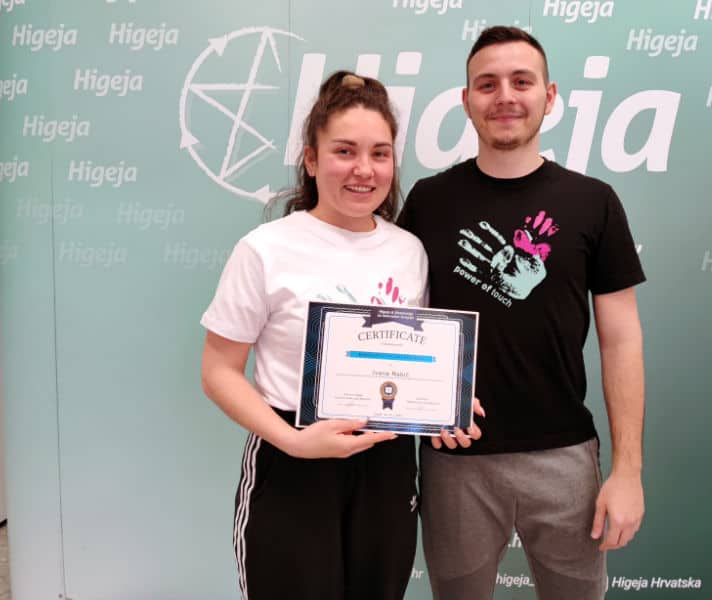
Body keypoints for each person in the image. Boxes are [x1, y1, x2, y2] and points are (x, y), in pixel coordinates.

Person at [398, 26, 647, 599]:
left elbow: (622, 341)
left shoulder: (593, 201)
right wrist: (427, 406)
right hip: (455, 459)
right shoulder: (428, 202)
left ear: (549, 96)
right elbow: (402, 325)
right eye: (487, 84)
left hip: (565, 458)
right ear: (466, 101)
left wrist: (628, 471)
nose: (504, 96)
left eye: (521, 81)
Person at [200, 71, 429, 600]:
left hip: (387, 463)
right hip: (293, 457)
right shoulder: (265, 249)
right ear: (310, 158)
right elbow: (218, 372)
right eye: (344, 151)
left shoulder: (409, 251)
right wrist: (294, 442)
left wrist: (449, 401)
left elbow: (417, 363)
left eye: (380, 153)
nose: (364, 169)